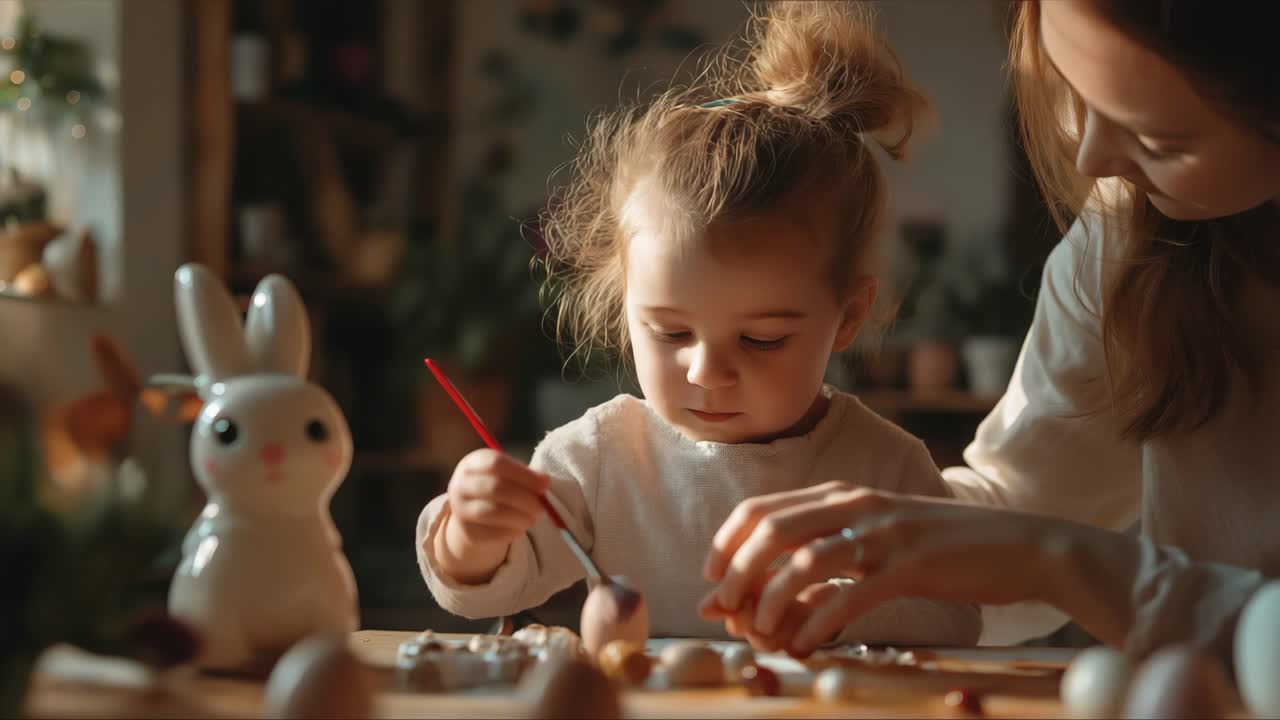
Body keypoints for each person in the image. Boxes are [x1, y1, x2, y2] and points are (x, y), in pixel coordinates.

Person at [699, 0, 1280, 662]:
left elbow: (1041, 550)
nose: (1093, 158)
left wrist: (1074, 567)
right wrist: (728, 498)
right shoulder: (1133, 244)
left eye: (1159, 141)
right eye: (1075, 93)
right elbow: (1026, 513)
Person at [414, 1, 980, 645]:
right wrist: (471, 534)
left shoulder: (885, 465)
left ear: (847, 315)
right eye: (671, 332)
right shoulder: (601, 455)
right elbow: (489, 586)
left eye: (761, 338)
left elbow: (956, 614)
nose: (707, 372)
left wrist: (841, 609)